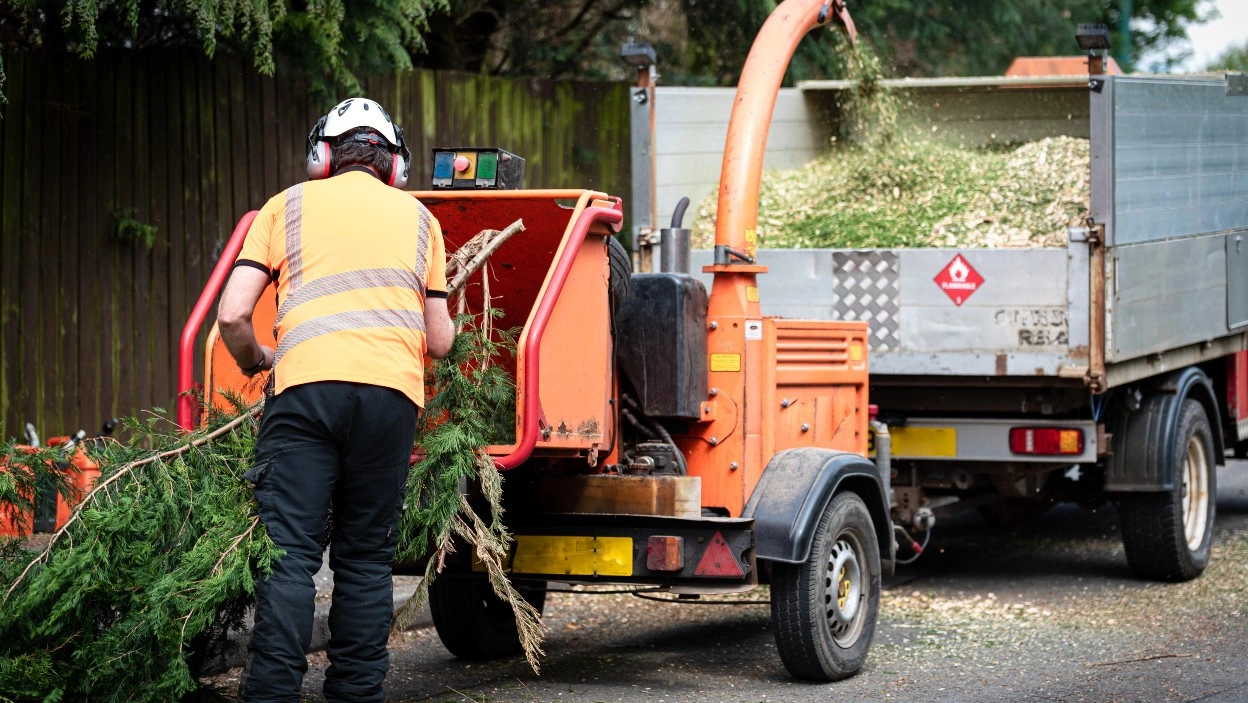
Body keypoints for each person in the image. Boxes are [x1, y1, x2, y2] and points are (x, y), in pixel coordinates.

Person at [216, 97, 455, 703]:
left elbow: (233, 314)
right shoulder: (421, 219)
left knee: (291, 553)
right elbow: (441, 339)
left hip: (304, 394)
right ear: (393, 164)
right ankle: (356, 692)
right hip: (389, 401)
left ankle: (271, 692)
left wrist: (257, 360)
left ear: (322, 156)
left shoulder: (284, 206)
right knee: (366, 557)